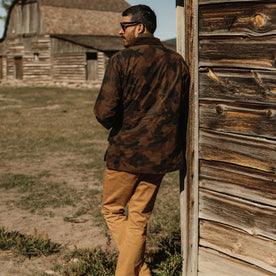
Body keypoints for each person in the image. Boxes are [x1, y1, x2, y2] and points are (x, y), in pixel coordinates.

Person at [94, 4, 190, 276]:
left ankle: (136, 272)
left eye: (124, 26)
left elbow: (104, 113)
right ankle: (141, 272)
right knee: (138, 218)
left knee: (112, 210)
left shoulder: (121, 60)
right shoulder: (178, 61)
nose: (119, 31)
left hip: (126, 153)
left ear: (139, 27)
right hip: (161, 156)